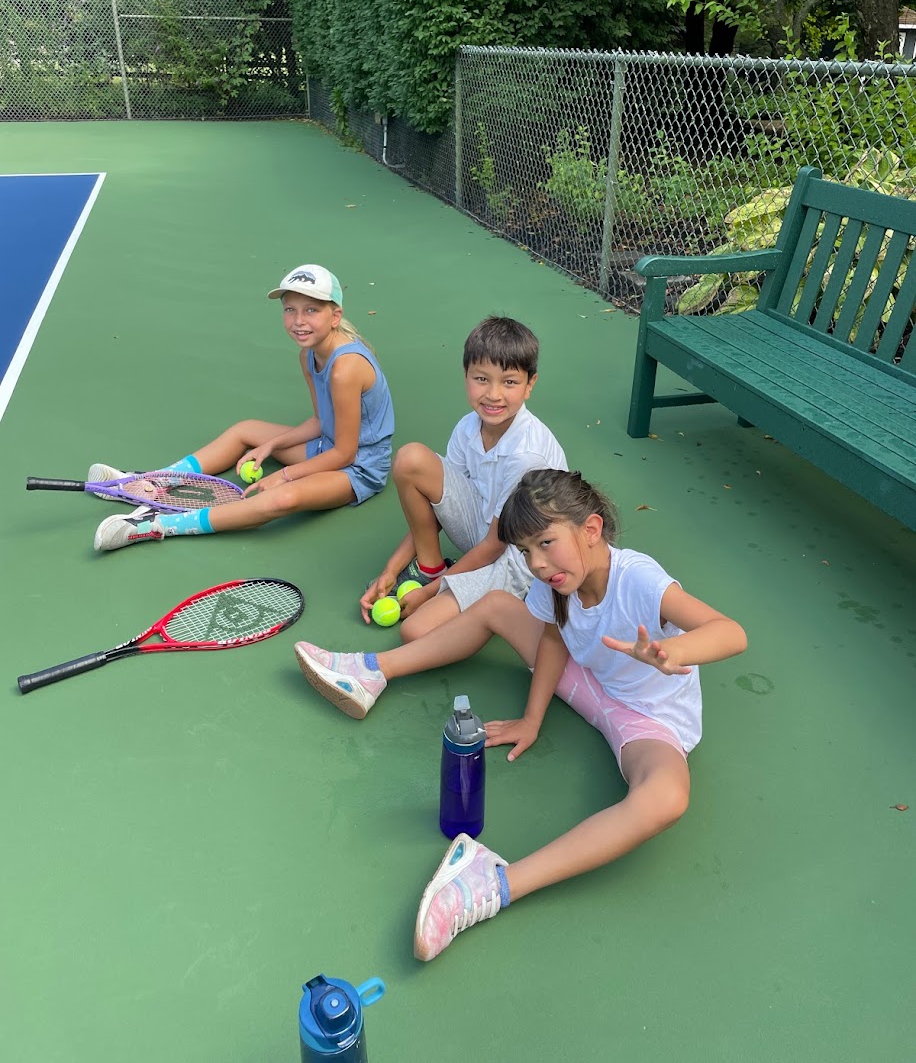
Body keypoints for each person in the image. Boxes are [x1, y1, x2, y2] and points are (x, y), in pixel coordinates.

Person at [294, 468, 747, 962]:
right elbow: (554, 636)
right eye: (527, 551)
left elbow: (729, 632)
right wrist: (533, 717)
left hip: (646, 721)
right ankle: (370, 672)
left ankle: (493, 881)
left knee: (666, 799)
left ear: (592, 530)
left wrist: (673, 649)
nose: (537, 562)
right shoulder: (557, 582)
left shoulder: (638, 578)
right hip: (591, 684)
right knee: (496, 605)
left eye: (547, 542)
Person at [91, 264, 395, 552]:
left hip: (359, 468)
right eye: (290, 310)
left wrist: (284, 475)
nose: (298, 321)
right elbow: (319, 420)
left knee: (282, 499)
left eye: (311, 310)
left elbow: (345, 454)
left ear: (335, 315)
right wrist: (270, 446)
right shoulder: (308, 356)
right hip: (326, 445)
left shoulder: (346, 368)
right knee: (246, 431)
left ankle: (157, 525)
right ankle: (149, 481)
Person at [360, 315, 567, 640]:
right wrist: (392, 570)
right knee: (411, 458)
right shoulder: (468, 427)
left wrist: (431, 595)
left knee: (416, 631)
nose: (493, 394)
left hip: (520, 558)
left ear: (530, 385)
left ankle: (496, 603)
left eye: (509, 382)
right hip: (485, 530)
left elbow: (497, 546)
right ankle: (430, 569)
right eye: (481, 379)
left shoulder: (528, 456)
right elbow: (439, 505)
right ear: (466, 376)